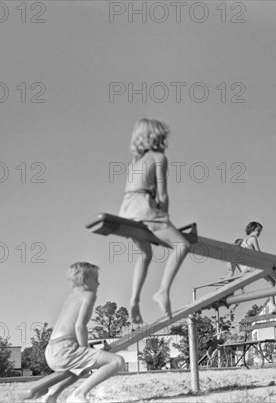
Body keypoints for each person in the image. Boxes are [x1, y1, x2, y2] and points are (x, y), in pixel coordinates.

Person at [119, 118, 190, 324]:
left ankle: (134, 299)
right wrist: (165, 219)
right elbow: (163, 196)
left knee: (144, 254)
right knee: (182, 245)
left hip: (126, 209)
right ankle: (163, 291)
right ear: (157, 138)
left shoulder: (135, 162)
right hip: (143, 207)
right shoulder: (159, 157)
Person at [43, 262, 125, 403]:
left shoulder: (71, 297)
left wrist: (89, 352)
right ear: (85, 280)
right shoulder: (88, 295)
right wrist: (85, 349)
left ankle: (52, 395)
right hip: (65, 350)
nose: (98, 283)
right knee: (117, 361)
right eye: (96, 279)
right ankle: (78, 395)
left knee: (83, 368)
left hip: (51, 351)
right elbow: (80, 327)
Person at [240, 221, 276, 315]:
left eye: (260, 231)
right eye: (257, 231)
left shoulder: (244, 241)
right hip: (255, 265)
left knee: (272, 282)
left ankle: (273, 306)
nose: (259, 233)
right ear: (252, 229)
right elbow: (259, 254)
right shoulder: (253, 239)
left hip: (248, 267)